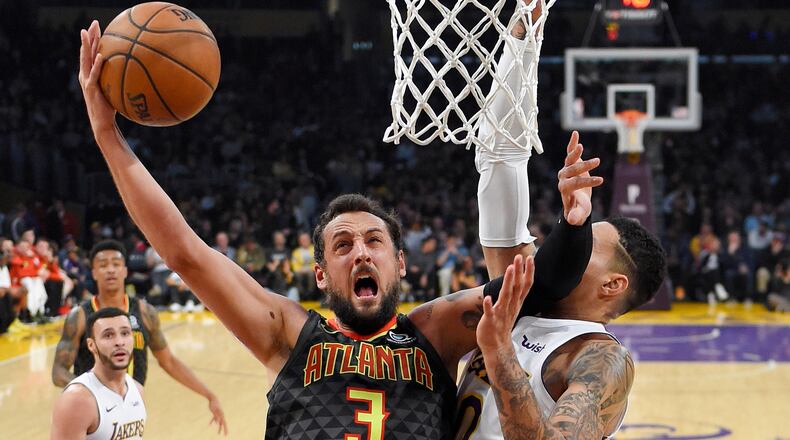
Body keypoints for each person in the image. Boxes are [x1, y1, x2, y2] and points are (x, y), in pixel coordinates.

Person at [77, 19, 592, 438]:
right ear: (321, 274)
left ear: (400, 263)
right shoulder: (288, 335)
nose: (361, 252)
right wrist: (105, 132)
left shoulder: (433, 332)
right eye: (342, 245)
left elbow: (540, 282)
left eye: (374, 241)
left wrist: (573, 225)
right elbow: (184, 252)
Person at [456, 138, 667, 438]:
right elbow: (502, 233)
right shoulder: (524, 303)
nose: (573, 248)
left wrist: (500, 353)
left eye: (587, 245)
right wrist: (505, 137)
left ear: (612, 284)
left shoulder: (601, 357)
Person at [51, 240, 227, 435]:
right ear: (93, 273)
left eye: (116, 264)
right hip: (93, 415)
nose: (110, 270)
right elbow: (58, 371)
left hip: (132, 407)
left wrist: (208, 394)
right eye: (103, 265)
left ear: (125, 271)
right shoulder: (80, 315)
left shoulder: (144, 311)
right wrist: (92, 394)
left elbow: (168, 361)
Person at [50, 308, 147, 440]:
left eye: (125, 333)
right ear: (91, 345)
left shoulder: (137, 390)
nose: (119, 342)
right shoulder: (76, 400)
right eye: (108, 335)